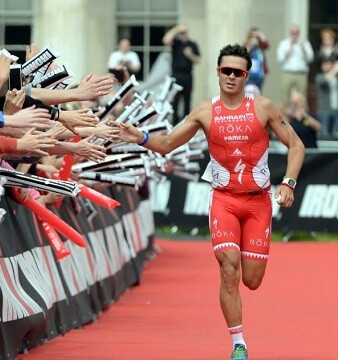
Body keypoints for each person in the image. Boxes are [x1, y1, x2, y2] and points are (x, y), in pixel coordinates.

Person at [115, 43, 305, 360]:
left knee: (252, 280)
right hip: (224, 201)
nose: (231, 76)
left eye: (238, 72)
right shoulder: (205, 111)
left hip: (258, 203)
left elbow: (296, 145)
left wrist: (289, 183)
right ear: (217, 72)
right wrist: (141, 137)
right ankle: (238, 344)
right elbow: (168, 143)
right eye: (226, 70)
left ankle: (240, 332)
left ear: (246, 75)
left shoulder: (264, 107)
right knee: (228, 267)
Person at [162, 22, 201, 125]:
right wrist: (176, 29)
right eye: (182, 32)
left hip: (187, 75)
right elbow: (165, 40)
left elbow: (198, 60)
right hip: (176, 75)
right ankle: (174, 124)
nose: (184, 33)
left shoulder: (193, 44)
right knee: (174, 101)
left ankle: (186, 124)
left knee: (187, 101)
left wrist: (190, 55)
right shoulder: (176, 43)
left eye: (185, 31)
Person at [276, 24, 314, 105]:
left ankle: (300, 116)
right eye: (293, 33)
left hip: (301, 74)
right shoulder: (284, 43)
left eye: (296, 33)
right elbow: (280, 58)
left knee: (302, 98)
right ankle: (286, 116)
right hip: (288, 73)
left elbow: (310, 58)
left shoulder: (305, 43)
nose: (294, 35)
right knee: (285, 97)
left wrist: (303, 49)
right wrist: (290, 48)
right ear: (290, 33)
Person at [314, 57, 338, 139]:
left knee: (335, 135)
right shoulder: (319, 77)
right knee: (324, 135)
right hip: (324, 110)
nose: (328, 66)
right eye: (325, 64)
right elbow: (324, 81)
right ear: (322, 66)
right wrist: (334, 70)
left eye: (329, 64)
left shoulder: (336, 77)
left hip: (336, 109)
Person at [243, 27, 270, 93]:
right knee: (249, 91)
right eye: (253, 36)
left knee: (258, 93)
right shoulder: (246, 44)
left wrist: (260, 35)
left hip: (260, 74)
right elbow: (243, 55)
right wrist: (250, 45)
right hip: (249, 74)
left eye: (256, 37)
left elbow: (267, 45)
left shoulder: (260, 47)